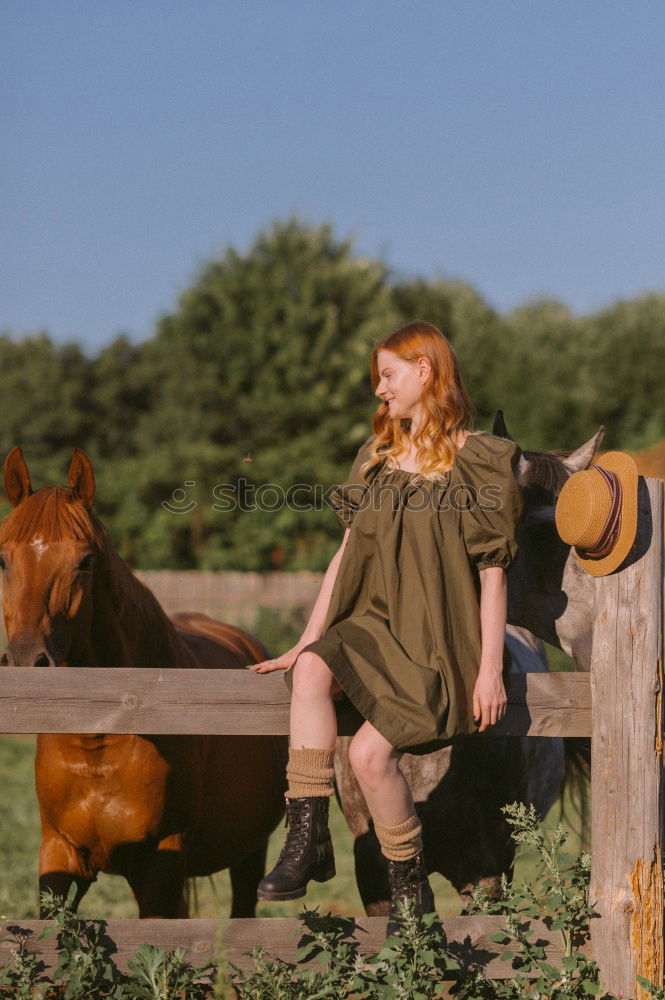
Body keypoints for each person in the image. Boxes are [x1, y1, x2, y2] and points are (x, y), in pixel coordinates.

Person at [249, 320, 524, 936]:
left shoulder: (481, 461)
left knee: (372, 757)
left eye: (388, 375)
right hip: (374, 626)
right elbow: (345, 556)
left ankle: (407, 899)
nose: (380, 389)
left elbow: (493, 575)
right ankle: (307, 840)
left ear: (425, 372)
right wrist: (303, 641)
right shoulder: (375, 461)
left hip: (439, 642)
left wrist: (487, 671)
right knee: (314, 669)